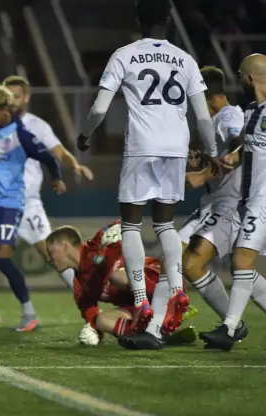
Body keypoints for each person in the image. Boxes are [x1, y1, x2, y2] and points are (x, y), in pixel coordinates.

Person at [76, 0, 220, 335]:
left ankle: (141, 300)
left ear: (139, 19)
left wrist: (85, 134)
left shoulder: (124, 55)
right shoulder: (185, 60)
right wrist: (212, 151)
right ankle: (178, 291)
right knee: (166, 224)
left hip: (142, 148)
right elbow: (201, 116)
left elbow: (99, 108)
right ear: (168, 20)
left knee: (130, 225)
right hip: (175, 148)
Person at [0, 75, 94, 327]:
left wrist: (73, 166)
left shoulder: (34, 127)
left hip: (26, 203)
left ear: (26, 98)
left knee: (53, 256)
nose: (12, 100)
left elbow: (55, 153)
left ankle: (88, 304)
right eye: (8, 95)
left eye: (17, 96)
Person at [123, 66, 252, 349]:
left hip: (229, 206)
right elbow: (224, 155)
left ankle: (230, 325)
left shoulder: (228, 115)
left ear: (209, 94)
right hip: (213, 205)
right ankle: (155, 329)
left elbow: (237, 144)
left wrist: (203, 174)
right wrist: (202, 161)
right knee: (176, 259)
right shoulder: (216, 118)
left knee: (190, 263)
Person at [200, 54, 266, 350]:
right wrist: (232, 156)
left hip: (263, 199)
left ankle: (229, 330)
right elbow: (247, 147)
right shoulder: (252, 112)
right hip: (251, 199)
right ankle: (229, 328)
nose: (237, 79)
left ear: (250, 78)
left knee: (241, 261)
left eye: (240, 74)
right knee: (242, 265)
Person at [46, 222, 197, 348]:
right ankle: (156, 335)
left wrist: (119, 229)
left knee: (117, 276)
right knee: (102, 320)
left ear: (64, 246)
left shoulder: (96, 246)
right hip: (139, 309)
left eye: (51, 251)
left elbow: (127, 220)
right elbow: (91, 316)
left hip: (161, 280)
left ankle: (172, 304)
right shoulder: (80, 287)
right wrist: (93, 332)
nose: (49, 258)